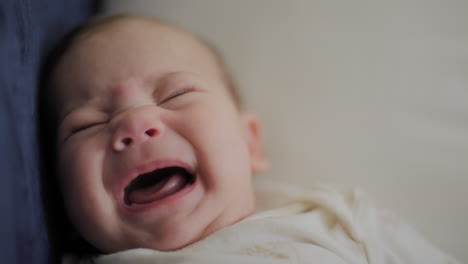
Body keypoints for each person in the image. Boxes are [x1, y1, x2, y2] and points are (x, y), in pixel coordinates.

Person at [40, 14, 460, 263]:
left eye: (176, 94)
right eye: (87, 125)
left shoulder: (341, 219)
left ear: (251, 143)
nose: (134, 125)